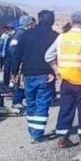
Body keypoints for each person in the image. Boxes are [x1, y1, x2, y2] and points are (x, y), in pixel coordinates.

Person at [45, 11, 81, 149]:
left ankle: (63, 138)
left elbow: (48, 56)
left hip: (66, 80)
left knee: (66, 108)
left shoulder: (62, 37)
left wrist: (57, 70)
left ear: (71, 23)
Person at [12, 10, 58, 142]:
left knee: (31, 103)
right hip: (46, 74)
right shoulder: (55, 36)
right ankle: (37, 133)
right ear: (52, 21)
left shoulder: (26, 35)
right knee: (42, 104)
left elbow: (17, 55)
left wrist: (14, 72)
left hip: (28, 74)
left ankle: (32, 130)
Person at [9, 15, 35, 112]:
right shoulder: (20, 34)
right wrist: (19, 58)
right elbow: (13, 48)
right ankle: (17, 101)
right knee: (18, 81)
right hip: (20, 61)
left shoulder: (23, 33)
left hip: (22, 61)